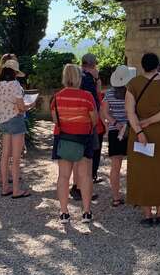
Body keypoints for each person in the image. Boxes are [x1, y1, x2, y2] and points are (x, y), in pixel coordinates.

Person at [125, 53, 160, 225]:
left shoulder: (133, 84)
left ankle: (147, 214)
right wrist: (151, 120)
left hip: (140, 134)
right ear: (157, 65)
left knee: (143, 172)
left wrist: (139, 130)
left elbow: (130, 111)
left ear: (142, 65)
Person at [51, 64, 97, 224]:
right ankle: (86, 212)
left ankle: (64, 213)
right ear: (79, 77)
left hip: (63, 138)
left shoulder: (57, 97)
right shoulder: (87, 96)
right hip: (83, 138)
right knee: (85, 176)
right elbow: (95, 120)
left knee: (63, 176)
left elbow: (56, 121)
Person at [0, 59, 33, 198]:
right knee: (16, 158)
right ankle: (17, 190)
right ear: (14, 72)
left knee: (5, 156)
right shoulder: (15, 84)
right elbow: (22, 107)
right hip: (16, 121)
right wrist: (32, 104)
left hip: (4, 121)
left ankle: (5, 187)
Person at [100, 65, 135, 207]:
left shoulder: (108, 94)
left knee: (115, 166)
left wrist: (114, 122)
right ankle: (135, 195)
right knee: (134, 165)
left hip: (115, 130)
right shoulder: (131, 93)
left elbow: (105, 112)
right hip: (131, 129)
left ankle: (115, 197)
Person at [80, 53, 104, 184]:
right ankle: (90, 176)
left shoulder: (77, 76)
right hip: (90, 120)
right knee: (94, 149)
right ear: (93, 65)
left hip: (78, 119)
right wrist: (97, 79)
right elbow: (95, 101)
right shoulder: (88, 78)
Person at [0, 54, 17, 168]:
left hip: (5, 119)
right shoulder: (7, 83)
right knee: (6, 151)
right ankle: (8, 176)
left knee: (8, 152)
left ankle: (8, 176)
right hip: (5, 120)